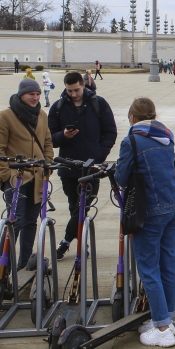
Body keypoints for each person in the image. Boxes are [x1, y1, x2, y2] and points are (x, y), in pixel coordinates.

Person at [114, 97, 175, 347]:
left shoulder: (131, 139)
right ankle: (166, 317)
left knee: (148, 267)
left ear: (132, 118)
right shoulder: (167, 134)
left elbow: (122, 177)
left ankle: (162, 329)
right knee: (167, 261)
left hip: (149, 209)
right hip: (173, 204)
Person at [48, 71, 117, 260]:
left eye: (76, 90)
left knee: (83, 206)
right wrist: (63, 136)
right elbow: (50, 138)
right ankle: (81, 243)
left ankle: (65, 243)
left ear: (83, 85)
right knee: (74, 207)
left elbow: (110, 131)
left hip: (92, 167)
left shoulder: (98, 104)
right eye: (69, 90)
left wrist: (100, 154)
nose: (73, 94)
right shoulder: (58, 107)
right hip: (68, 167)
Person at [0, 78, 54, 270]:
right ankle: (4, 268)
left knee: (31, 222)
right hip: (17, 180)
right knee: (14, 223)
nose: (35, 98)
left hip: (37, 178)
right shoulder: (6, 116)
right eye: (30, 94)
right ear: (21, 95)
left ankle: (25, 264)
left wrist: (47, 163)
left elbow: (47, 142)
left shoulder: (42, 115)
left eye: (37, 94)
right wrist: (7, 175)